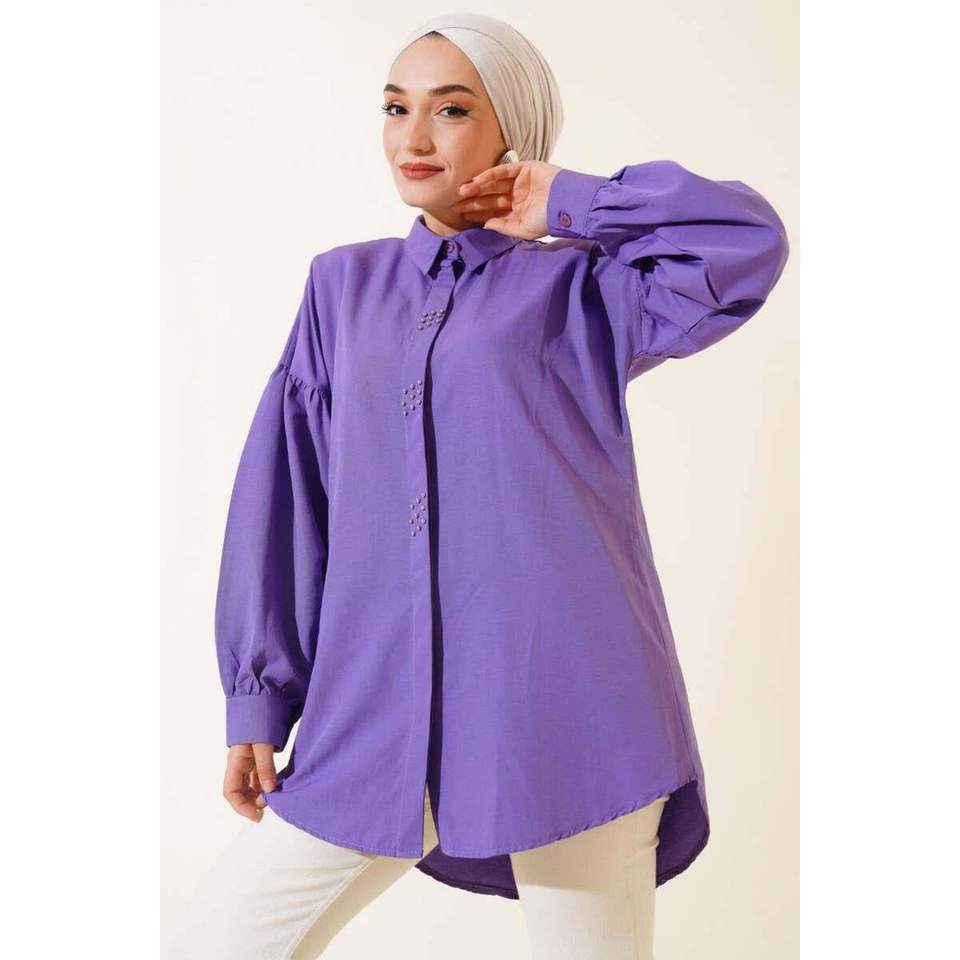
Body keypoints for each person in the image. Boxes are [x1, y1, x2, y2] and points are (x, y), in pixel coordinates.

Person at [169, 11, 789, 960]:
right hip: (370, 715)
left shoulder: (584, 286)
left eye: (452, 109)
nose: (414, 136)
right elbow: (288, 495)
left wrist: (571, 202)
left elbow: (746, 241)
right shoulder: (341, 289)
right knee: (219, 941)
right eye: (396, 108)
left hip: (570, 716)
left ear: (512, 132)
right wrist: (260, 697)